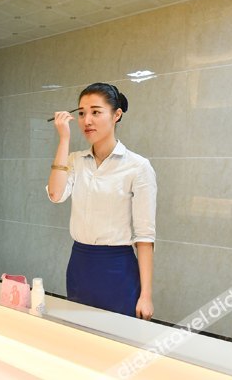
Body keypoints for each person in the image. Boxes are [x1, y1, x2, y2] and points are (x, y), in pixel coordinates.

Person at [46, 82, 156, 320]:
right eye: (82, 113)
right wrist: (64, 140)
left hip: (117, 269)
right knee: (80, 334)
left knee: (118, 337)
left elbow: (145, 236)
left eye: (96, 112)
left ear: (116, 115)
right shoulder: (74, 160)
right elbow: (55, 195)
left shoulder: (138, 167)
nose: (87, 120)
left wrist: (146, 295)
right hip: (80, 264)